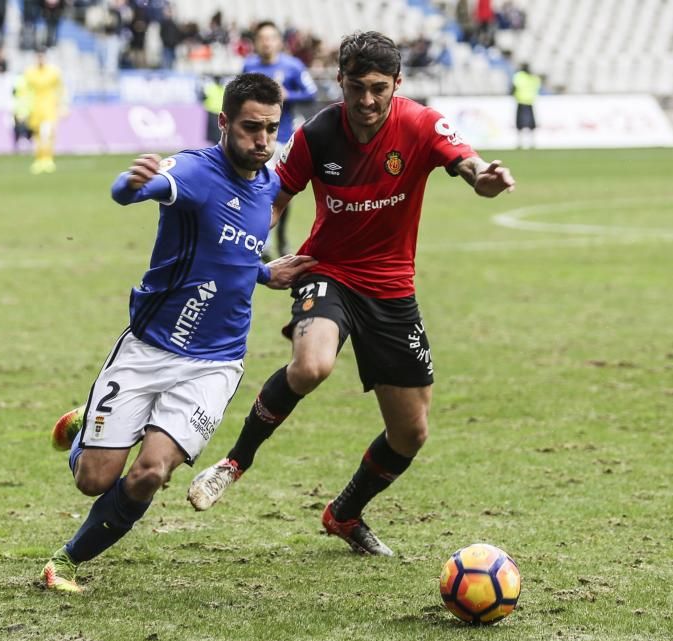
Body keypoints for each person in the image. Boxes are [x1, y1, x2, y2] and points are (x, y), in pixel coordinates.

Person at [186, 31, 515, 557]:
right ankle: (235, 462)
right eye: (356, 87)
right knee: (312, 365)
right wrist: (247, 251)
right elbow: (273, 198)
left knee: (410, 433)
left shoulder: (422, 124)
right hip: (326, 270)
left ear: (397, 85)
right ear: (339, 81)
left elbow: (469, 164)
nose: (366, 101)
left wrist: (485, 179)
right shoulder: (318, 133)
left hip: (390, 288)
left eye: (378, 89)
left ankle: (344, 514)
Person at [41, 73, 317, 593]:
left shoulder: (268, 185)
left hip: (216, 361)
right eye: (251, 128)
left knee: (150, 472)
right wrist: (130, 182)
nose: (262, 141)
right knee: (93, 479)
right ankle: (84, 427)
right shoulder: (193, 170)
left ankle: (66, 562)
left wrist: (264, 272)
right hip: (150, 346)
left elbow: (227, 247)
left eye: (271, 129)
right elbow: (130, 192)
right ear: (224, 122)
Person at [242, 20, 318, 259]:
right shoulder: (249, 65)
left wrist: (289, 95)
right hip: (256, 140)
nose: (266, 42)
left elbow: (311, 92)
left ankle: (282, 239)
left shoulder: (293, 66)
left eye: (271, 37)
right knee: (257, 190)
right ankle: (261, 241)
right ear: (256, 42)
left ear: (278, 41)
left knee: (282, 192)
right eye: (262, 38)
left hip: (284, 139)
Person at [23, 47, 63, 174]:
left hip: (49, 107)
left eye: (42, 57)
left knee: (48, 133)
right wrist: (25, 108)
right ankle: (39, 160)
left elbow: (60, 90)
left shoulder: (53, 72)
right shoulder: (30, 72)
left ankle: (48, 159)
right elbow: (25, 92)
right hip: (35, 108)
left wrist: (62, 105)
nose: (40, 59)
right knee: (37, 135)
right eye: (38, 57)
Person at [512, 62, 540, 149]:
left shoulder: (519, 76)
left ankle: (520, 143)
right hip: (530, 102)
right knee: (531, 124)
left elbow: (514, 86)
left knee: (520, 124)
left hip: (521, 101)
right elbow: (537, 87)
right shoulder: (534, 77)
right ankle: (532, 143)